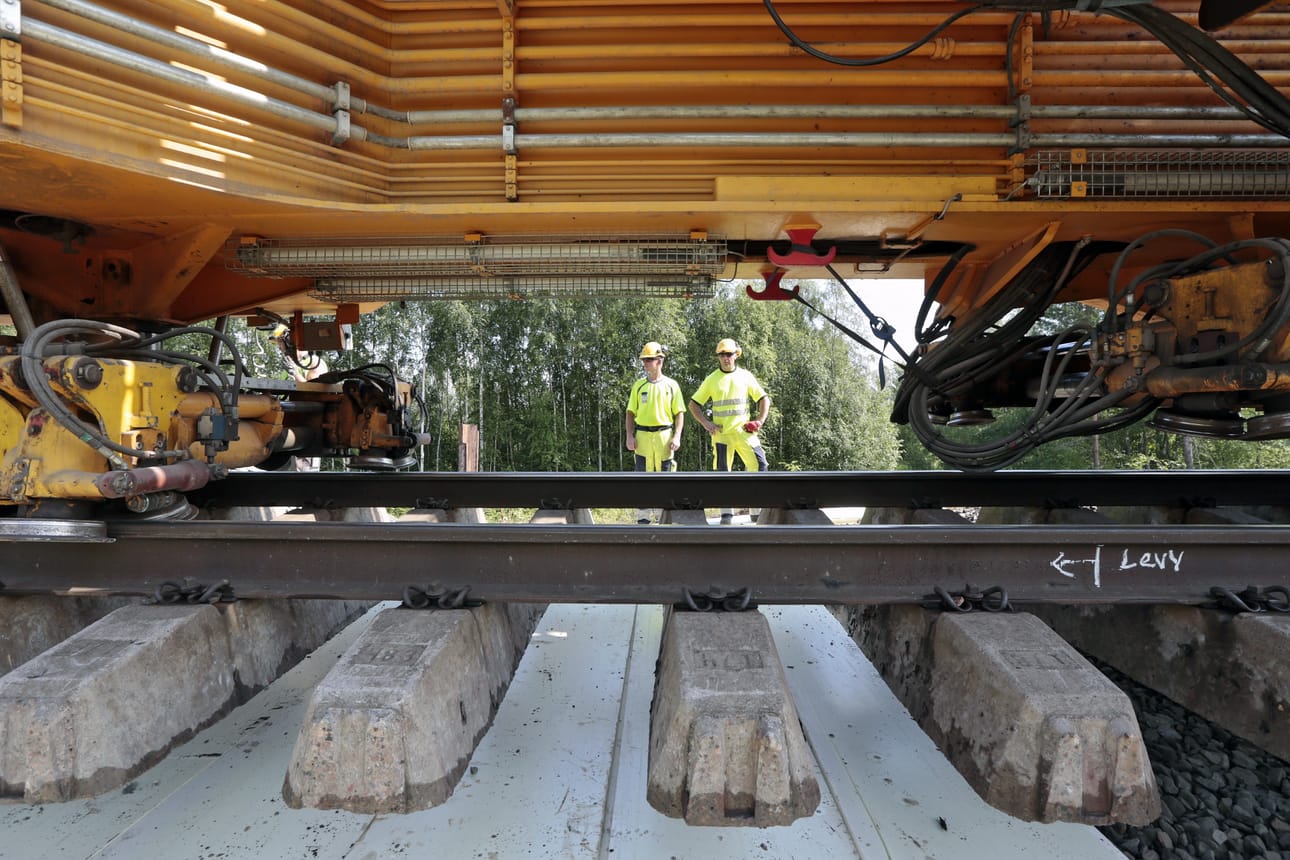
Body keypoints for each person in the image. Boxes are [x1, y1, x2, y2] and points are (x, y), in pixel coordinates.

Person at [688, 337, 770, 524]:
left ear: (736, 355)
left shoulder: (745, 376)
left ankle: (757, 511)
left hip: (744, 433)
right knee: (723, 474)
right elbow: (693, 404)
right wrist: (706, 423)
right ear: (718, 356)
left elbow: (764, 399)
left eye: (729, 354)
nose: (726, 358)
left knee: (760, 466)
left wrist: (760, 421)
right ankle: (726, 513)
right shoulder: (712, 379)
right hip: (722, 436)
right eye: (722, 354)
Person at [625, 341, 685, 524]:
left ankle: (663, 517)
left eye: (649, 359)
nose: (645, 363)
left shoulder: (671, 385)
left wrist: (677, 436)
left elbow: (679, 413)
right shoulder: (639, 386)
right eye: (644, 360)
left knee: (664, 477)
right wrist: (629, 435)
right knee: (642, 477)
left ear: (660, 361)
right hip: (642, 437)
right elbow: (630, 412)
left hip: (664, 437)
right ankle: (643, 517)